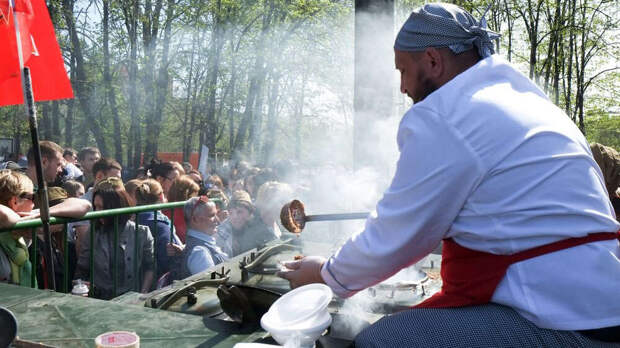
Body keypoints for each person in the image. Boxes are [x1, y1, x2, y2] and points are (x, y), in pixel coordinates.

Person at [278, 4, 620, 346]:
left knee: (380, 341)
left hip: (565, 322)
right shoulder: (529, 102)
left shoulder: (448, 113)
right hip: (598, 306)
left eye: (402, 71)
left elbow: (395, 237)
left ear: (432, 60)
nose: (402, 87)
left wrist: (325, 273)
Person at [74, 177, 154, 299]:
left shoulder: (142, 233)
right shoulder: (93, 233)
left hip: (131, 299)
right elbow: (83, 268)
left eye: (102, 207)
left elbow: (150, 266)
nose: (98, 212)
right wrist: (80, 286)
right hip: (100, 300)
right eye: (96, 207)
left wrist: (142, 294)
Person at [135, 179, 182, 278]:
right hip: (158, 284)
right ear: (161, 196)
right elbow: (167, 261)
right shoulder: (162, 226)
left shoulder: (130, 221)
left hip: (134, 282)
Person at [180, 196, 227, 278]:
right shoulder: (199, 253)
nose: (217, 220)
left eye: (216, 214)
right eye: (212, 215)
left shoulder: (199, 247)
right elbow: (211, 286)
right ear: (195, 220)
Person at [164, 175, 200, 243]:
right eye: (194, 193)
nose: (196, 197)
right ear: (187, 194)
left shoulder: (164, 208)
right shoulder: (186, 212)